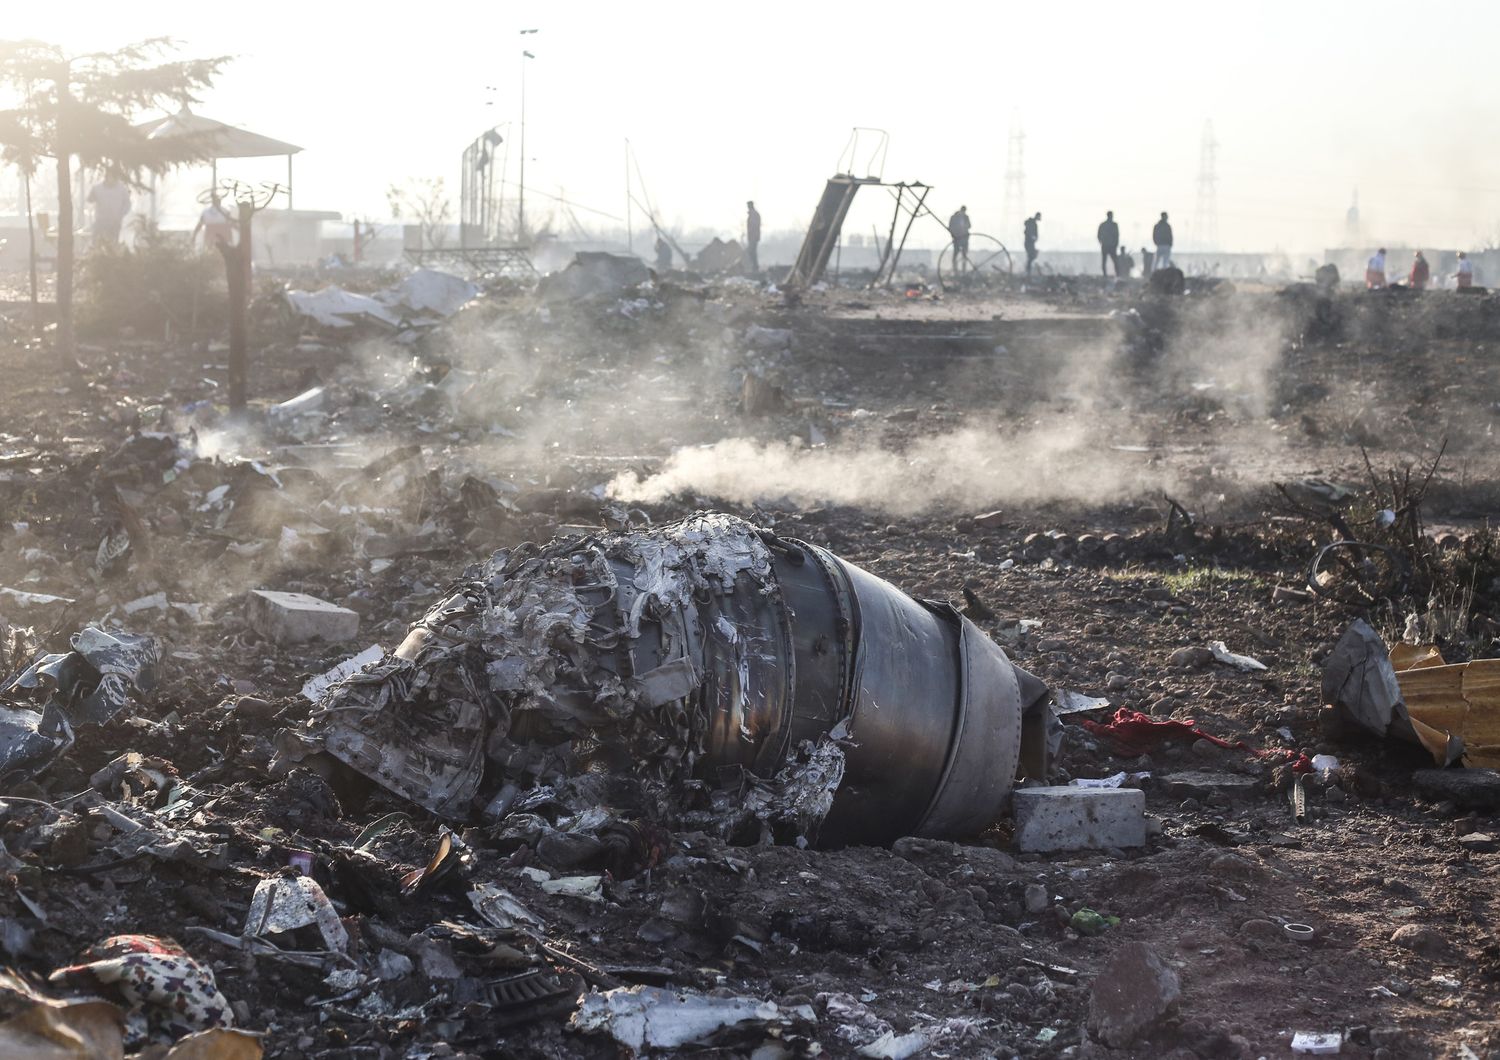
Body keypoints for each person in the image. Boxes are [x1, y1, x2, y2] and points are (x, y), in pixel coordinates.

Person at [87, 173, 131, 247]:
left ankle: (112, 256)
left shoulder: (122, 189)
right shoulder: (97, 188)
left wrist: (121, 215)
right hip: (100, 220)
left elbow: (127, 204)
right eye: (109, 177)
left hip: (115, 221)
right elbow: (90, 199)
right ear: (106, 177)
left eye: (113, 177)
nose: (111, 180)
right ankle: (95, 255)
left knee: (112, 243)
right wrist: (92, 196)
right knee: (97, 242)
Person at [949, 206, 971, 273]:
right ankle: (955, 270)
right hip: (957, 238)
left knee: (964, 255)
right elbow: (951, 227)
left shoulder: (966, 217)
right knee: (956, 254)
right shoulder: (954, 217)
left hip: (964, 238)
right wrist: (954, 235)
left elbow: (969, 225)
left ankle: (963, 271)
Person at [1097, 211, 1119, 276]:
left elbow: (1116, 235)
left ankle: (1115, 274)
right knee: (1109, 261)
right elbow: (1099, 235)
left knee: (1112, 261)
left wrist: (1102, 242)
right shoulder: (1113, 225)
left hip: (1109, 246)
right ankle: (1108, 274)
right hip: (1108, 245)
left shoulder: (1106, 225)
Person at [745, 201, 761, 273]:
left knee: (752, 252)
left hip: (753, 237)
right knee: (752, 252)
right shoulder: (753, 214)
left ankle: (755, 267)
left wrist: (753, 236)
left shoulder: (754, 215)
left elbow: (754, 227)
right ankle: (754, 267)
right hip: (752, 237)